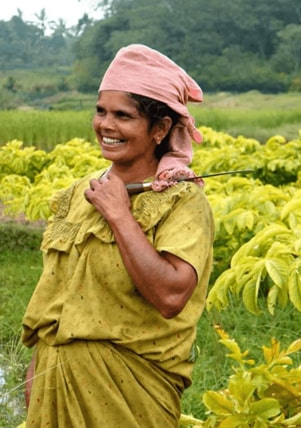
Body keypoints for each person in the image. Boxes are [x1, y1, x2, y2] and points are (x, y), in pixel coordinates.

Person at [21, 44, 214, 427]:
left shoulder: (182, 201)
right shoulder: (79, 194)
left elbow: (171, 296)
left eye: (123, 115)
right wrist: (36, 377)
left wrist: (120, 216)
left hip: (131, 393)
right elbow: (54, 302)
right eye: (101, 111)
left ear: (160, 129)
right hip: (53, 383)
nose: (106, 126)